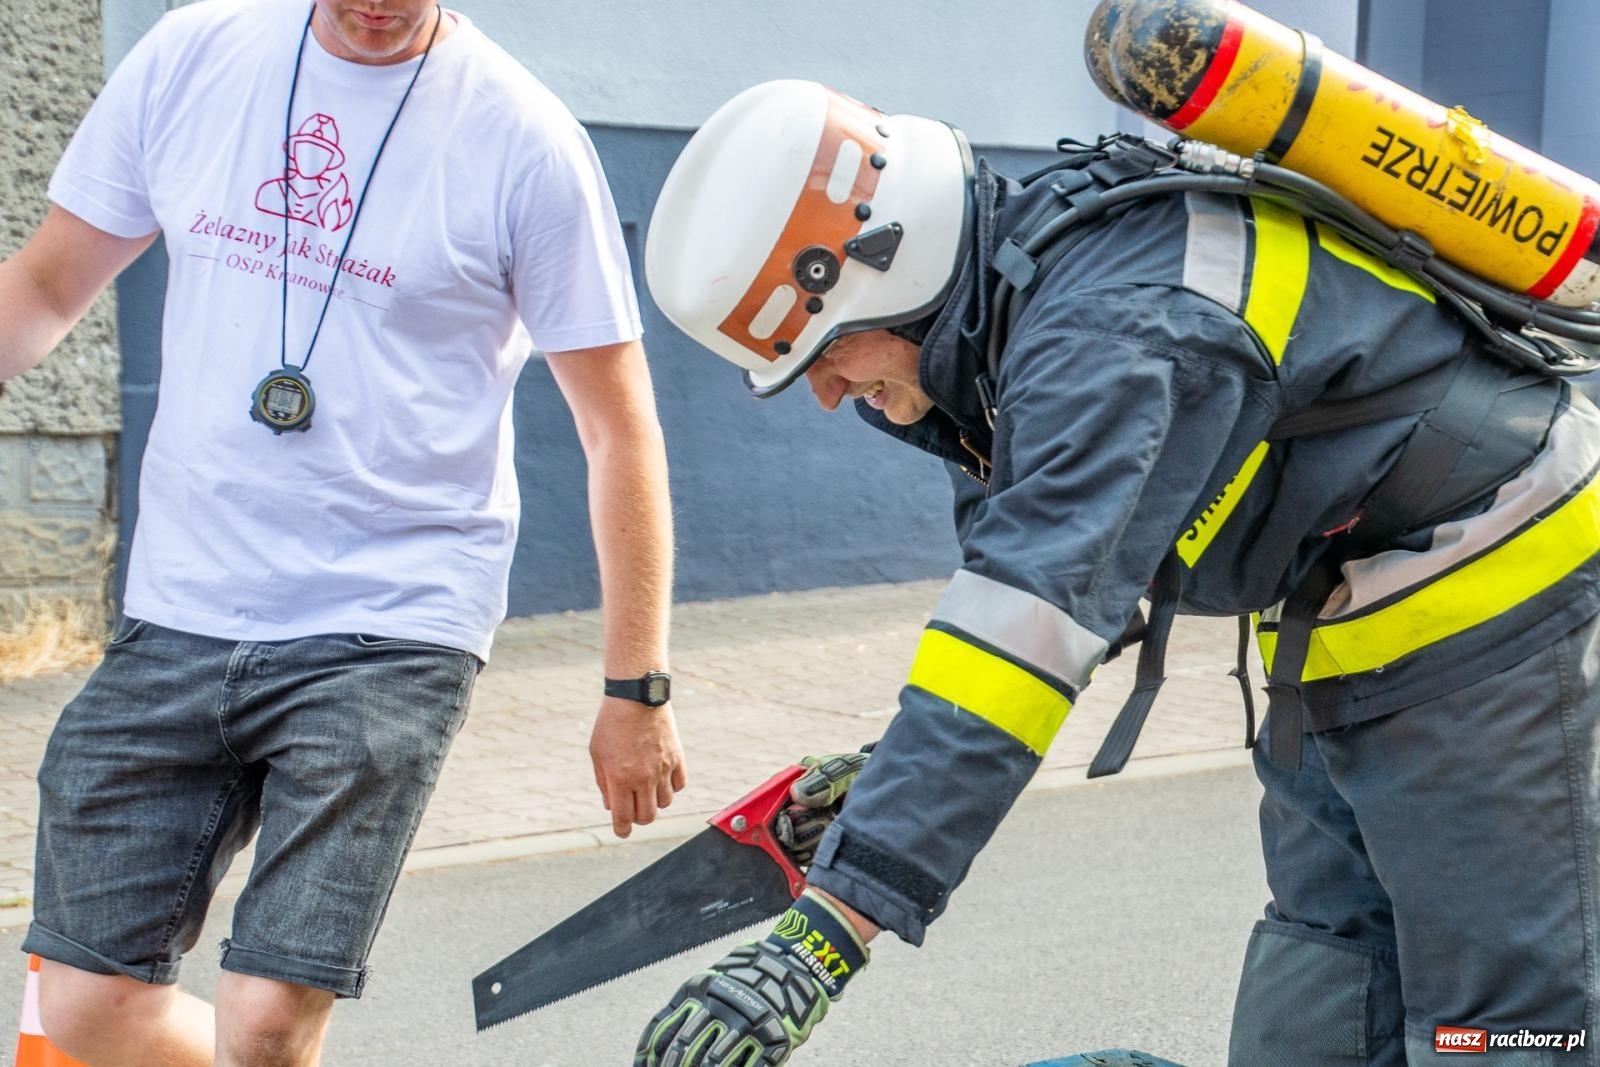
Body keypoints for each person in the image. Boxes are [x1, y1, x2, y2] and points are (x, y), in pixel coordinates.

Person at [635, 79, 1600, 1066]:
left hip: (1493, 599)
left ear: (893, 271)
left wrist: (826, 931)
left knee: (1503, 1029)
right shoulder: (1016, 315)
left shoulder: (1108, 328)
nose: (831, 394)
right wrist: (899, 772)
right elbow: (1011, 620)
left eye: (826, 351)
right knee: (1325, 993)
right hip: (1338, 612)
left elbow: (1033, 617)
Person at [0, 1, 687, 1064]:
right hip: (180, 601)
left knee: (267, 1016)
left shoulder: (524, 137)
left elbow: (618, 429)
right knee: (85, 1006)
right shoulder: (194, 56)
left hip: (392, 621)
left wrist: (633, 685)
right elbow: (46, 284)